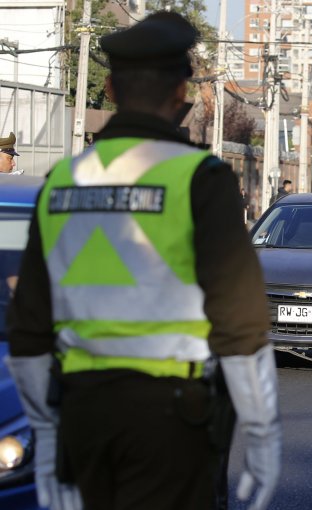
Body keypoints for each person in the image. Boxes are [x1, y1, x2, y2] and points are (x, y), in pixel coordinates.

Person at [4, 12, 281, 510]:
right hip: (169, 422)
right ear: (183, 92)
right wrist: (261, 433)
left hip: (83, 415)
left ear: (108, 88)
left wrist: (47, 439)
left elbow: (28, 330)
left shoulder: (62, 182)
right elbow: (240, 324)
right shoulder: (202, 179)